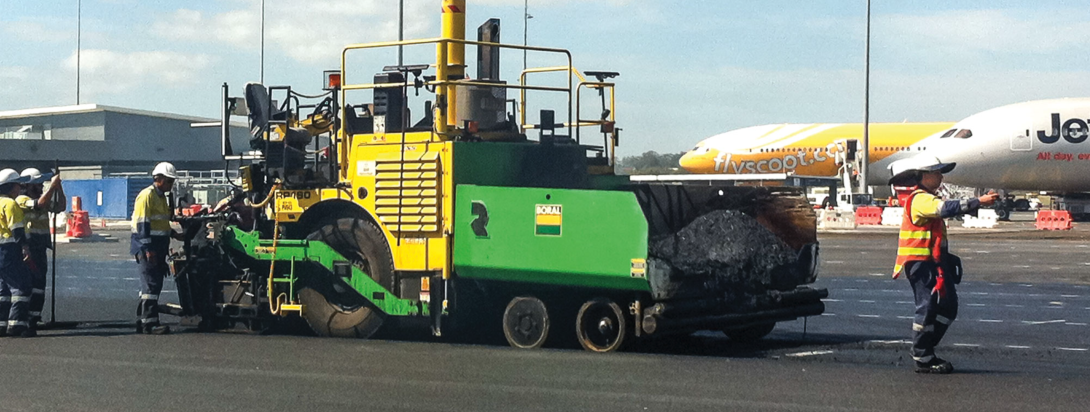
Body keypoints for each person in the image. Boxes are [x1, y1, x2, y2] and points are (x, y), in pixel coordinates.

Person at [887, 155, 999, 374]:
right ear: (923, 176)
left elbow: (935, 233)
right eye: (936, 172)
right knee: (927, 307)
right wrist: (979, 201)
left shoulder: (928, 197)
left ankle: (925, 347)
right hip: (920, 264)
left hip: (934, 262)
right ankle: (923, 357)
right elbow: (946, 209)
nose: (941, 176)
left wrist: (947, 256)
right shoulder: (920, 199)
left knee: (948, 307)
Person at [131, 162, 182, 334]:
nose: (171, 185)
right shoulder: (147, 196)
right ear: (158, 179)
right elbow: (141, 224)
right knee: (151, 286)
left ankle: (143, 320)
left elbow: (160, 224)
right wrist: (147, 249)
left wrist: (174, 235)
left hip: (159, 247)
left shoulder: (162, 197)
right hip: (149, 247)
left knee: (153, 285)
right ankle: (149, 324)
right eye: (168, 181)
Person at [16, 168, 65, 335]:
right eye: (38, 184)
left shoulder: (43, 197)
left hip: (41, 247)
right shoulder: (22, 199)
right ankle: (25, 319)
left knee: (39, 285)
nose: (41, 187)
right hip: (29, 247)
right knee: (30, 283)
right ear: (29, 186)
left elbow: (60, 206)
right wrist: (52, 187)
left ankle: (34, 318)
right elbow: (40, 205)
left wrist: (59, 188)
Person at [0, 168, 33, 337]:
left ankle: (2, 323)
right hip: (8, 250)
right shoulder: (10, 204)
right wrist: (25, 247)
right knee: (21, 286)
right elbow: (16, 229)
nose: (20, 188)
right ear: (11, 186)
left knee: (3, 290)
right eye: (18, 184)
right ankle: (17, 324)